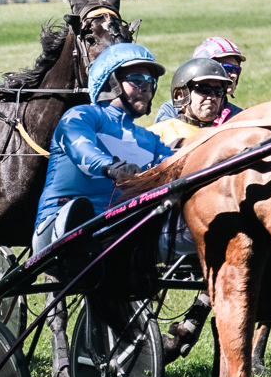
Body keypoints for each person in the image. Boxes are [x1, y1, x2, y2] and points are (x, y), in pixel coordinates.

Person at [35, 42, 173, 257]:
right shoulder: (82, 115)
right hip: (61, 224)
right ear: (111, 82)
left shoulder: (151, 140)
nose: (146, 87)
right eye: (137, 80)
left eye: (150, 81)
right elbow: (82, 150)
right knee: (81, 214)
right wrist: (113, 167)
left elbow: (177, 167)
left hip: (121, 228)